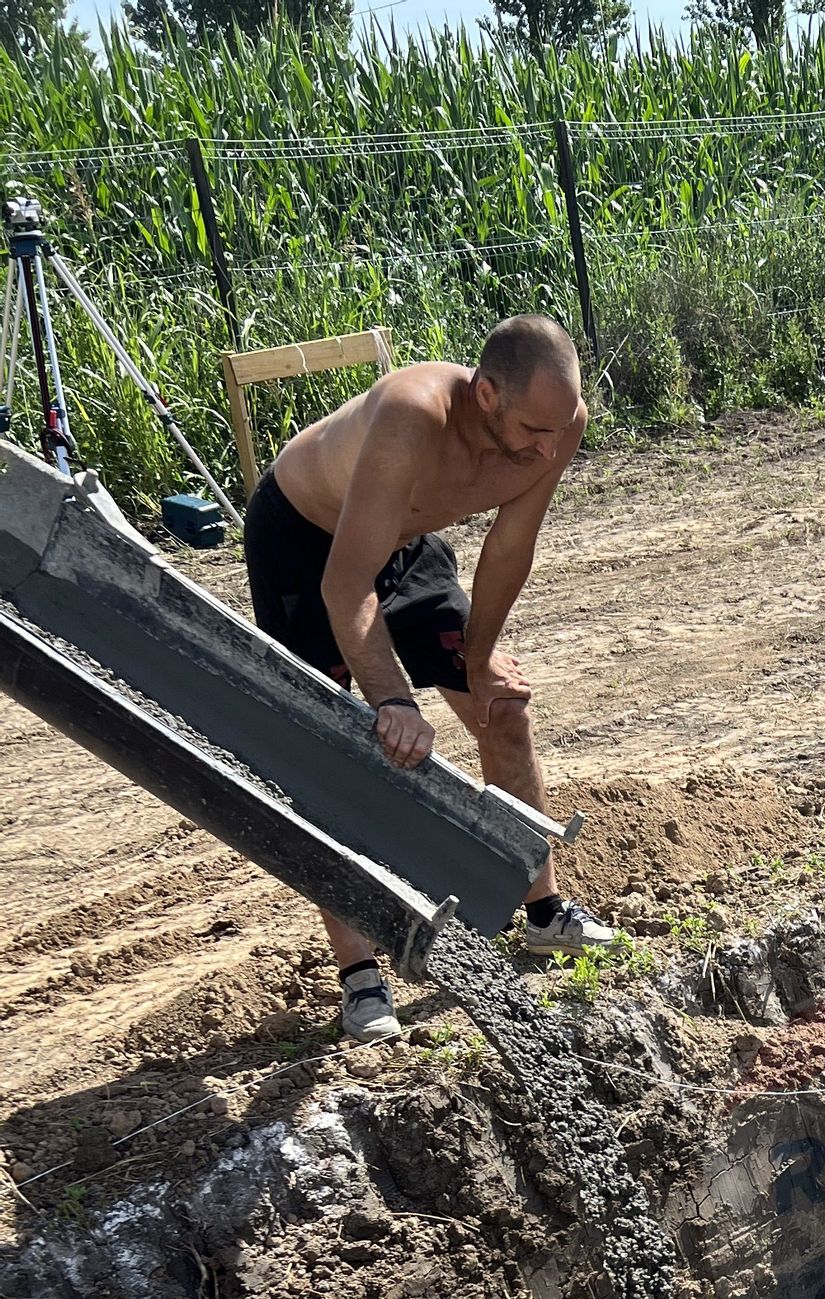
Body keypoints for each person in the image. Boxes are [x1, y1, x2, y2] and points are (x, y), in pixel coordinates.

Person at [242, 313, 615, 1043]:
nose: (550, 448)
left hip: (405, 542)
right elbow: (345, 584)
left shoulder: (558, 423)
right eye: (535, 430)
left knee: (504, 708)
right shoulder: (412, 415)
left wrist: (479, 660)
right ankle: (361, 977)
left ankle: (543, 913)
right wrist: (393, 698)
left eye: (559, 428)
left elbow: (509, 548)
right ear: (486, 395)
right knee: (325, 747)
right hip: (305, 545)